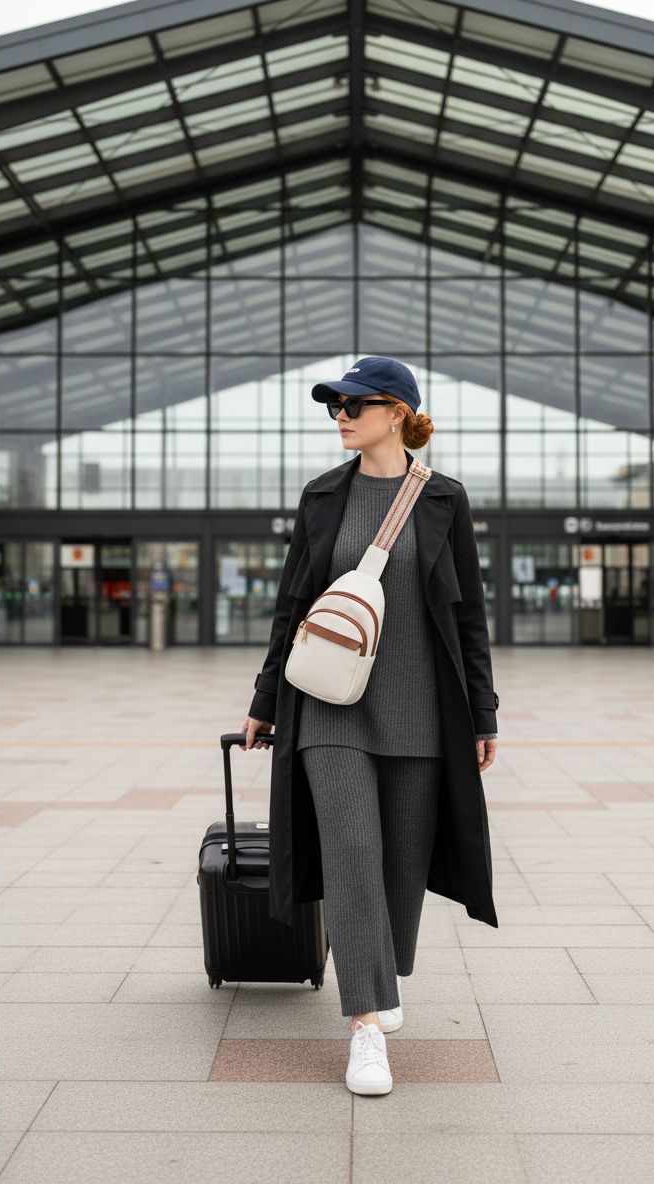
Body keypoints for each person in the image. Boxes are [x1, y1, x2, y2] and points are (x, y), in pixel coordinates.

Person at [241, 356, 498, 1097]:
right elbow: (292, 606)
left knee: (399, 869)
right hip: (329, 707)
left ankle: (380, 978)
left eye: (356, 404)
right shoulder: (322, 497)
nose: (341, 416)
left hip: (421, 712)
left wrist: (482, 711)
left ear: (399, 413)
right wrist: (265, 699)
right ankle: (363, 1029)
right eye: (334, 406)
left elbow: (469, 619)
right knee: (352, 854)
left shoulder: (444, 500)